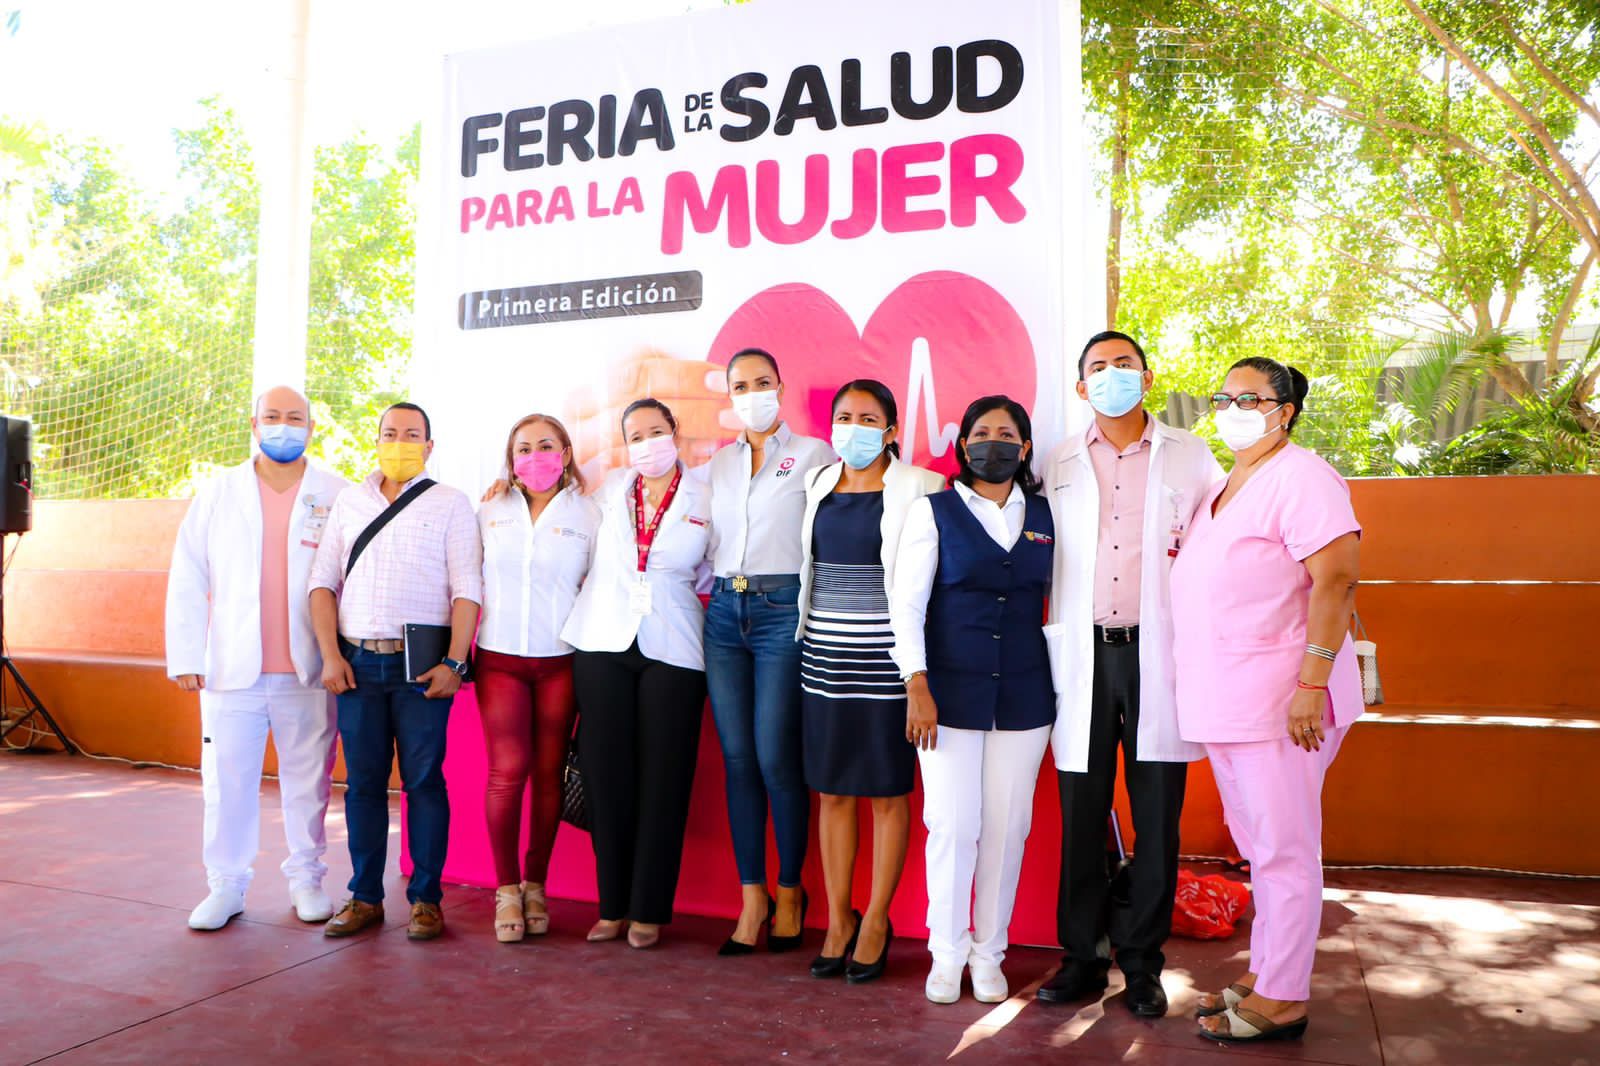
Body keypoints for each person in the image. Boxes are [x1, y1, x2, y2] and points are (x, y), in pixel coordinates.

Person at [1171, 357, 1363, 1043]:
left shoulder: (1303, 477)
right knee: (1258, 846)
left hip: (1286, 703)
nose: (1233, 406)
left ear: (1285, 410)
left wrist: (1312, 684)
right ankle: (1267, 969)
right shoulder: (1228, 484)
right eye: (1224, 396)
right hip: (1228, 702)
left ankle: (1284, 997)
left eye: (1250, 397)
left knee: (1284, 849)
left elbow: (1337, 578)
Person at [1036, 331, 1225, 1017]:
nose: (1112, 375)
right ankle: (1080, 957)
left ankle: (1143, 964)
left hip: (1159, 654)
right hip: (1082, 654)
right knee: (1082, 816)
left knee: (1157, 819)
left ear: (1147, 377)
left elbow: (1216, 552)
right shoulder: (1057, 460)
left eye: (1124, 364)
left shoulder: (1192, 456)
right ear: (1081, 387)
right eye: (1098, 367)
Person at [890, 395, 1056, 1005]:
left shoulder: (1044, 514)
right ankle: (946, 952)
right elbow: (906, 605)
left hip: (1024, 694)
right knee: (953, 826)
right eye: (981, 433)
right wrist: (916, 684)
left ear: (1026, 446)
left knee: (1009, 828)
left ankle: (990, 953)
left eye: (1006, 433)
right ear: (962, 447)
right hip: (946, 694)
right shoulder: (933, 512)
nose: (994, 442)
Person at [165, 386, 348, 931]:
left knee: (309, 780)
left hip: (310, 667)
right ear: (254, 423)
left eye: (295, 418)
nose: (283, 426)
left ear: (312, 427)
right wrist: (186, 652)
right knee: (226, 780)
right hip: (231, 668)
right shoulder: (219, 492)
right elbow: (188, 574)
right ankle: (226, 885)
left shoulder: (336, 494)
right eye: (273, 417)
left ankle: (308, 880)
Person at [308, 402, 483, 941]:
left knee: (425, 782)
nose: (400, 441)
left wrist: (455, 661)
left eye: (412, 434)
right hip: (357, 664)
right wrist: (330, 656)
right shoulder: (349, 502)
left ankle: (426, 900)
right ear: (376, 439)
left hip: (423, 669)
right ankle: (364, 896)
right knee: (361, 784)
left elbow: (467, 589)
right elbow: (321, 583)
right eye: (390, 433)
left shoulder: (452, 504)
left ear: (430, 446)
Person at [799, 379, 944, 984]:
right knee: (832, 794)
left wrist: (918, 673)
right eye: (842, 417)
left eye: (866, 418)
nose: (851, 428)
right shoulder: (818, 483)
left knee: (887, 794)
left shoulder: (921, 486)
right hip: (822, 662)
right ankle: (839, 918)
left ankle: (877, 920)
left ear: (889, 430)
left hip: (888, 665)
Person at [560, 398, 713, 950]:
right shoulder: (605, 493)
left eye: (656, 431)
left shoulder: (706, 495)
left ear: (675, 432)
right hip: (602, 640)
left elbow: (720, 568)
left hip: (675, 644)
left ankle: (648, 908)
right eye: (635, 435)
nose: (647, 442)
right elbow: (554, 517)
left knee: (665, 780)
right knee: (607, 777)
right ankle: (612, 906)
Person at [704, 347, 833, 956]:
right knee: (736, 759)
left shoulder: (813, 455)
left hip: (784, 611)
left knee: (775, 754)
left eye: (762, 382)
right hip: (725, 613)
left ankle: (789, 891)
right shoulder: (716, 466)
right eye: (740, 385)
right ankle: (751, 895)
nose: (751, 393)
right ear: (728, 395)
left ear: (780, 387)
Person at [475, 413, 598, 943]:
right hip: (499, 658)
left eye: (546, 446)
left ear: (565, 453)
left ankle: (535, 884)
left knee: (550, 774)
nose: (535, 456)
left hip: (560, 660)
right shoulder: (489, 509)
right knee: (508, 772)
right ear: (510, 459)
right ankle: (505, 889)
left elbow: (602, 584)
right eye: (523, 448)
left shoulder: (590, 513)